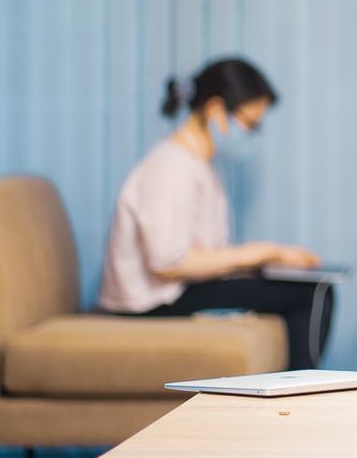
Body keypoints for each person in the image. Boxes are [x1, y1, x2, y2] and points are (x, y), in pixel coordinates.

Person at [98, 57, 333, 371]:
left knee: (302, 285)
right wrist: (260, 253)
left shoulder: (199, 165)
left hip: (173, 291)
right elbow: (167, 263)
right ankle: (303, 388)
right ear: (216, 110)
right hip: (151, 302)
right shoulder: (171, 167)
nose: (253, 133)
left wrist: (263, 261)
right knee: (315, 292)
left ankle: (296, 384)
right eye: (251, 124)